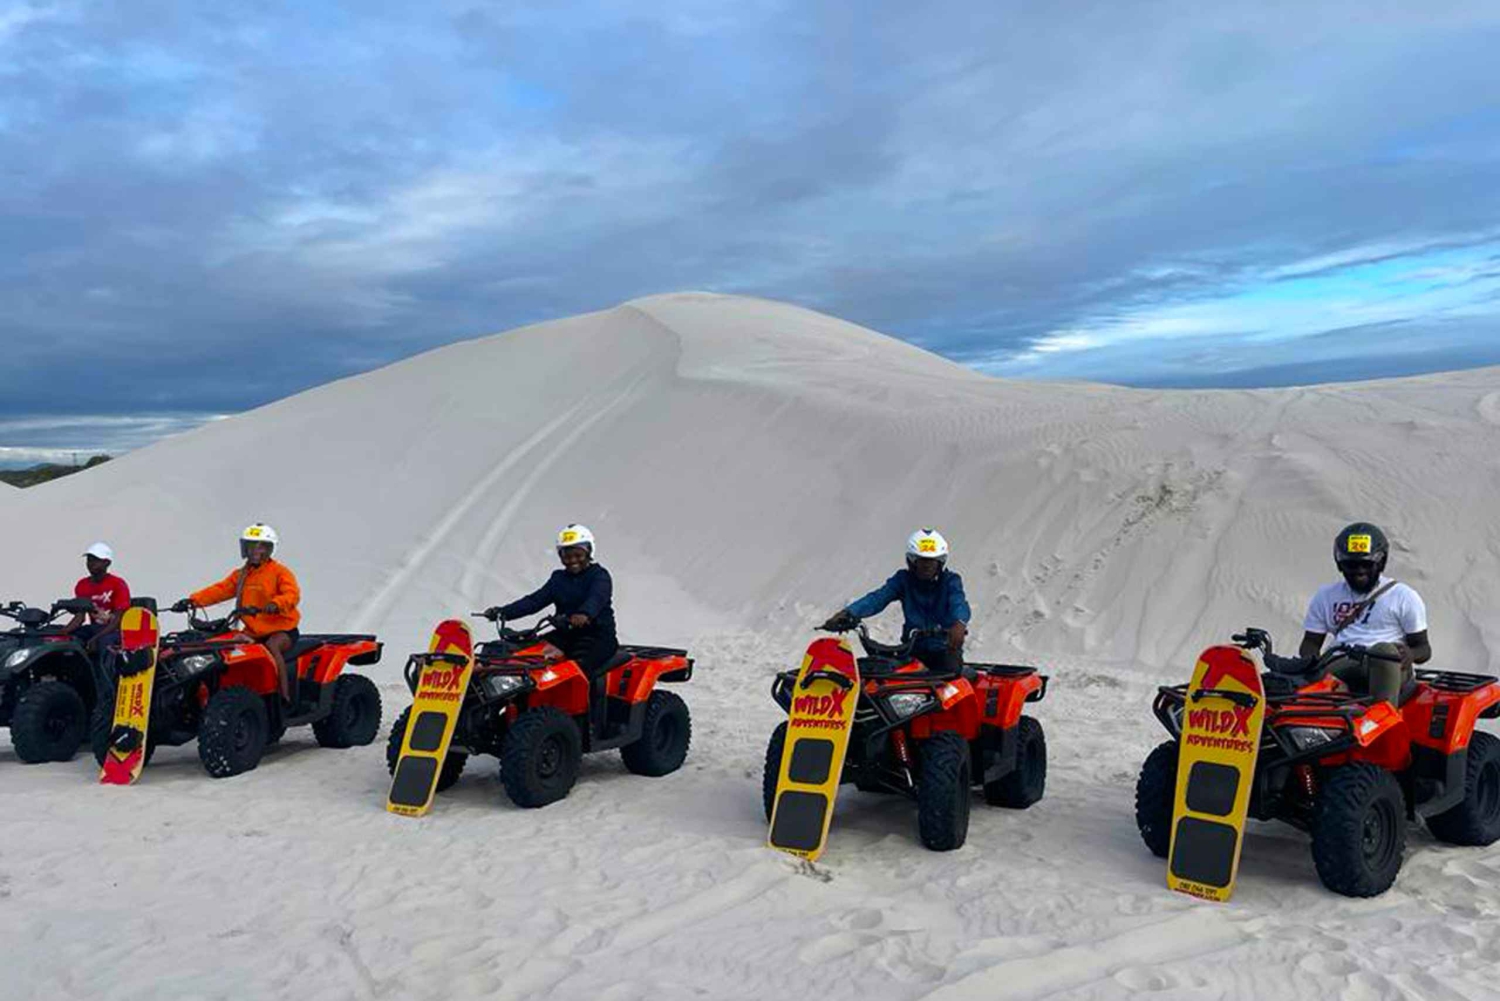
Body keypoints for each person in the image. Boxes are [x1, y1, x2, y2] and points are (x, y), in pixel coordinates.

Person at [485, 524, 617, 730]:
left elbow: (597, 598)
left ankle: (588, 724)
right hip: (565, 634)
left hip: (597, 636)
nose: (572, 560)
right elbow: (535, 601)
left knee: (577, 671)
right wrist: (503, 612)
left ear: (589, 551)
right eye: (566, 555)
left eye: (578, 554)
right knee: (528, 663)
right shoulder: (559, 579)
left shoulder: (599, 576)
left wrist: (584, 614)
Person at [1297, 522, 1430, 706]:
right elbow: (1311, 642)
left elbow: (1424, 649)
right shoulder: (1326, 595)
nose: (1359, 571)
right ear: (1340, 565)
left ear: (1381, 563)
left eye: (1367, 564)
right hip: (1341, 660)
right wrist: (1312, 665)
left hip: (1386, 664)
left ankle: (1381, 723)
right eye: (1352, 565)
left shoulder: (1403, 596)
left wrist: (1410, 654)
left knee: (1383, 651)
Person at [170, 523, 301, 703]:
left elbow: (292, 594)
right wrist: (192, 601)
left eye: (261, 545)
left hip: (281, 630)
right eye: (251, 545)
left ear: (269, 549)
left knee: (272, 647)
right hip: (253, 631)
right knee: (224, 645)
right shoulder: (241, 575)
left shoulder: (280, 572)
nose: (256, 550)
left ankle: (282, 695)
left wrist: (276, 603)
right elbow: (220, 590)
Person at [822, 528, 971, 673]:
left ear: (940, 562)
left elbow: (959, 603)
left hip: (944, 649)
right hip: (912, 649)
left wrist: (959, 623)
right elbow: (878, 598)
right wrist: (849, 613)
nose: (927, 566)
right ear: (912, 561)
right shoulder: (903, 580)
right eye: (921, 561)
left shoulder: (950, 581)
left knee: (949, 676)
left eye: (932, 561)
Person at [65, 541, 131, 652]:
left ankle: (105, 669)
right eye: (89, 559)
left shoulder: (118, 584)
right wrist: (63, 632)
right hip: (95, 629)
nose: (91, 563)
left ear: (107, 563)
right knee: (72, 638)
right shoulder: (82, 585)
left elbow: (118, 620)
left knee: (102, 642)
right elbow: (80, 617)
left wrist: (96, 638)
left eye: (96, 560)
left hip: (115, 631)